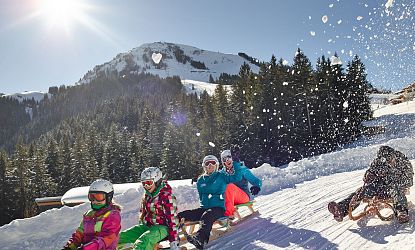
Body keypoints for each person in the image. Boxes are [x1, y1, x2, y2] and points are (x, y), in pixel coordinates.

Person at [328, 145, 414, 224]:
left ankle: (401, 212)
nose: (388, 163)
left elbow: (409, 181)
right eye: (385, 160)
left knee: (396, 191)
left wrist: (394, 182)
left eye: (390, 159)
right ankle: (341, 210)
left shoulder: (404, 162)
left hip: (394, 187)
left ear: (393, 155)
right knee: (361, 191)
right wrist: (369, 175)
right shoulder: (379, 161)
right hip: (379, 186)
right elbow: (369, 173)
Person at [178, 154, 243, 250]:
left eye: (213, 163)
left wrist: (236, 163)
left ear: (216, 165)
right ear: (204, 166)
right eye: (207, 163)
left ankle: (200, 239)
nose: (210, 165)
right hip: (204, 208)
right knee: (183, 214)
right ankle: (171, 237)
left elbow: (237, 177)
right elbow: (202, 196)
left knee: (207, 215)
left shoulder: (222, 176)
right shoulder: (200, 180)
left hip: (218, 209)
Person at [118, 167, 179, 250]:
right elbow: (143, 214)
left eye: (149, 183)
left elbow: (173, 220)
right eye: (143, 183)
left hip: (163, 228)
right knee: (119, 238)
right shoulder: (147, 195)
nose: (146, 186)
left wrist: (174, 242)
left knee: (142, 243)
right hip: (148, 226)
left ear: (157, 181)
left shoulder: (166, 197)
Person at [62, 179, 121, 250]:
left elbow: (106, 238)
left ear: (108, 197)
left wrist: (85, 249)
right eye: (92, 197)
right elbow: (79, 234)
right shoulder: (88, 215)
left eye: (99, 197)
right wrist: (70, 246)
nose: (94, 201)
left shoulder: (113, 215)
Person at [220, 146, 262, 219]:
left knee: (228, 185)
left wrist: (257, 186)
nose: (227, 160)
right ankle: (213, 217)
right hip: (231, 200)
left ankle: (228, 215)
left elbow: (255, 180)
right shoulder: (222, 173)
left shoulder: (241, 169)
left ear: (233, 158)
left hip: (244, 196)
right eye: (224, 159)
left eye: (229, 157)